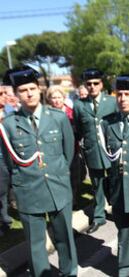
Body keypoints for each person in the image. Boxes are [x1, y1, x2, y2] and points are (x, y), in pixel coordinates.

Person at [0, 67, 77, 276]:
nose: (29, 93)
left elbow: (68, 152)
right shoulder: (7, 125)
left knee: (65, 238)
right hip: (28, 191)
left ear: (40, 89)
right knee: (35, 245)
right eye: (23, 90)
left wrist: (59, 173)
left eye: (32, 88)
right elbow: (9, 162)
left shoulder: (58, 118)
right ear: (16, 94)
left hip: (57, 186)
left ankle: (69, 272)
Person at [101, 75, 129, 276]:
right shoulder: (107, 124)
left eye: (127, 94)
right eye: (119, 94)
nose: (122, 98)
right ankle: (124, 270)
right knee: (124, 234)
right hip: (119, 191)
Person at [73, 68, 117, 233]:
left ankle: (119, 211)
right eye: (89, 84)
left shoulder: (112, 102)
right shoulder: (79, 105)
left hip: (112, 150)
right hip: (92, 151)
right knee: (97, 184)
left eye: (95, 83)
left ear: (101, 84)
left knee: (116, 181)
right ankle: (99, 216)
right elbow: (78, 128)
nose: (92, 86)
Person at [0, 85, 13, 236]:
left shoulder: (10, 111)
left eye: (4, 93)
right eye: (0, 93)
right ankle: (4, 221)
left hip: (10, 157)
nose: (3, 96)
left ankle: (6, 220)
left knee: (7, 190)